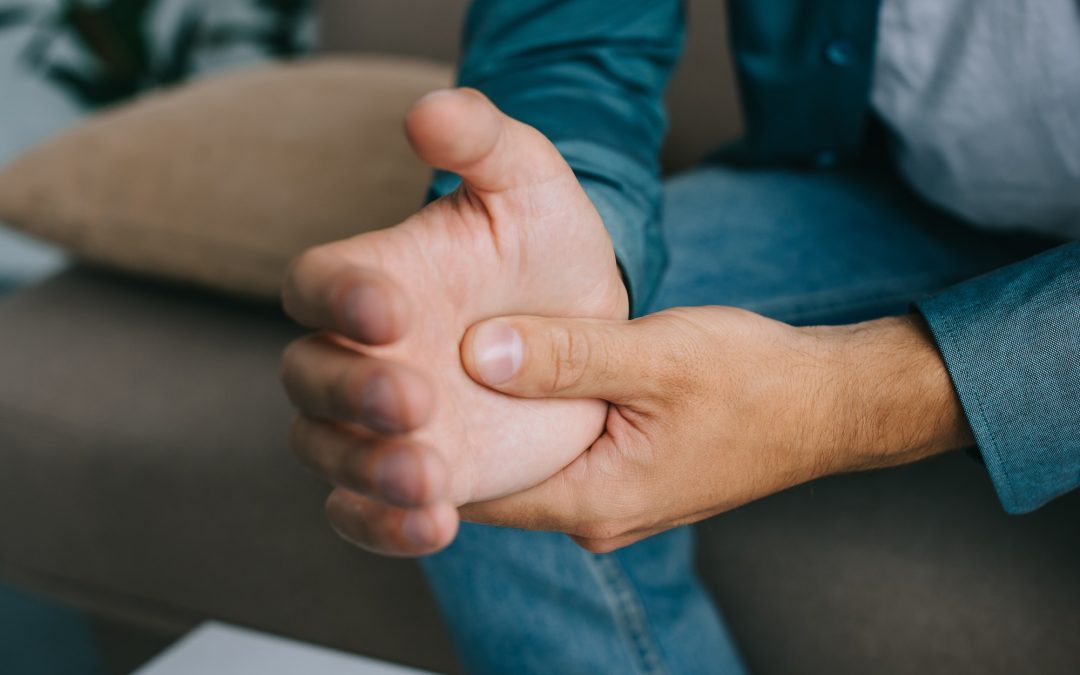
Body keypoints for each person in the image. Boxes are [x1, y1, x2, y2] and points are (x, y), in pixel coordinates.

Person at [279, 0, 1079, 672]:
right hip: (901, 196)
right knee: (488, 387)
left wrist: (844, 398)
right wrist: (557, 211)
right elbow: (579, 34)